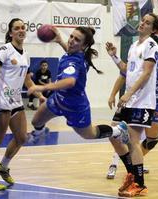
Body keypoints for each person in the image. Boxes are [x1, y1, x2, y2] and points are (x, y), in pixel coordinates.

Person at [28, 26, 129, 162]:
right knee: (36, 121)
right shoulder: (78, 55)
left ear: (84, 46)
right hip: (59, 100)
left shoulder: (75, 61)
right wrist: (59, 41)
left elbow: (70, 81)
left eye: (77, 40)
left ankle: (118, 130)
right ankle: (40, 134)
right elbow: (70, 54)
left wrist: (42, 87)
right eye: (71, 37)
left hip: (75, 107)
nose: (71, 41)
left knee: (90, 134)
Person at [0, 18, 45, 191]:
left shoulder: (26, 55)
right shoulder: (4, 50)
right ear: (11, 33)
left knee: (21, 137)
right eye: (17, 28)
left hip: (15, 100)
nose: (21, 30)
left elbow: (28, 80)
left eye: (23, 28)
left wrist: (40, 95)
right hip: (1, 99)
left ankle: (2, 166)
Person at [104, 13, 158, 197]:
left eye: (147, 23)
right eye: (142, 20)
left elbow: (146, 73)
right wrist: (114, 57)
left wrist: (128, 94)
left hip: (142, 101)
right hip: (130, 102)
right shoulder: (133, 46)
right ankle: (131, 173)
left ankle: (140, 184)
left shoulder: (151, 44)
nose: (142, 23)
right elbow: (126, 70)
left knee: (133, 140)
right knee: (113, 135)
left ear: (153, 29)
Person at [106, 35, 158, 180]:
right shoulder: (137, 60)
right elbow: (123, 75)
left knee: (151, 140)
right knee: (120, 134)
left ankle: (135, 163)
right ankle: (115, 164)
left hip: (153, 105)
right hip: (132, 102)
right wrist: (113, 94)